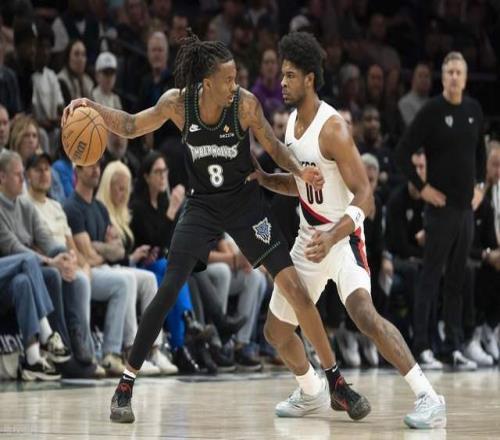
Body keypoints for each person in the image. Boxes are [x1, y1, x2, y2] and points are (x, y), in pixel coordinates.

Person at [63, 30, 367, 424]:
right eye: (228, 79)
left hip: (244, 205)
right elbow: (133, 124)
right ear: (207, 83)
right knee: (168, 287)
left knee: (294, 287)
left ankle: (336, 382)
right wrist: (93, 108)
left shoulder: (245, 105)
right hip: (202, 207)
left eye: (236, 78)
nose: (235, 85)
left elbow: (274, 146)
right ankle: (125, 385)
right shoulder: (178, 104)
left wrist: (299, 170)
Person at [251, 32, 445, 429]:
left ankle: (428, 396)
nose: (282, 82)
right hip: (310, 238)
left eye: (290, 75)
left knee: (364, 315)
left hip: (342, 239)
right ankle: (311, 391)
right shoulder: (291, 124)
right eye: (282, 75)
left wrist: (334, 235)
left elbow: (366, 196)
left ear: (309, 79)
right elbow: (301, 185)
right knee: (275, 332)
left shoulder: (333, 129)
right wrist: (265, 179)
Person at [395, 51, 487, 371]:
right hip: (440, 210)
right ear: (443, 77)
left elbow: (480, 154)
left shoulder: (474, 110)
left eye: (459, 72)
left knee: (457, 281)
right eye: (449, 72)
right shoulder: (432, 111)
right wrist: (423, 188)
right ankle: (421, 347)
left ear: (466, 77)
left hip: (465, 210)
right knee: (430, 278)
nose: (454, 77)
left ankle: (452, 347)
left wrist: (480, 187)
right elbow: (402, 152)